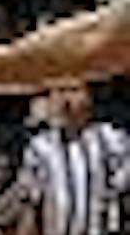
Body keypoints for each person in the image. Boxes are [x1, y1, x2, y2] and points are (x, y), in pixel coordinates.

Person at [14, 80, 130, 235]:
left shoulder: (110, 139)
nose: (65, 101)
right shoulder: (41, 147)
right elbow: (30, 203)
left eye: (73, 91)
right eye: (58, 92)